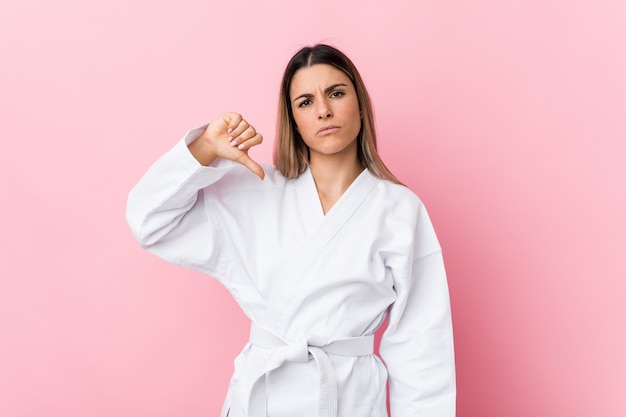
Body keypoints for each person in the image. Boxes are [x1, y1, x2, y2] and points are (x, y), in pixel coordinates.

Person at [126, 44, 456, 417]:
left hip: (350, 401)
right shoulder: (255, 189)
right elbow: (148, 219)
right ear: (293, 120)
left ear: (360, 105)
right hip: (264, 398)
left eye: (336, 93)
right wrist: (204, 148)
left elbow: (422, 345)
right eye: (304, 102)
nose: (323, 110)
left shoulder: (400, 210)